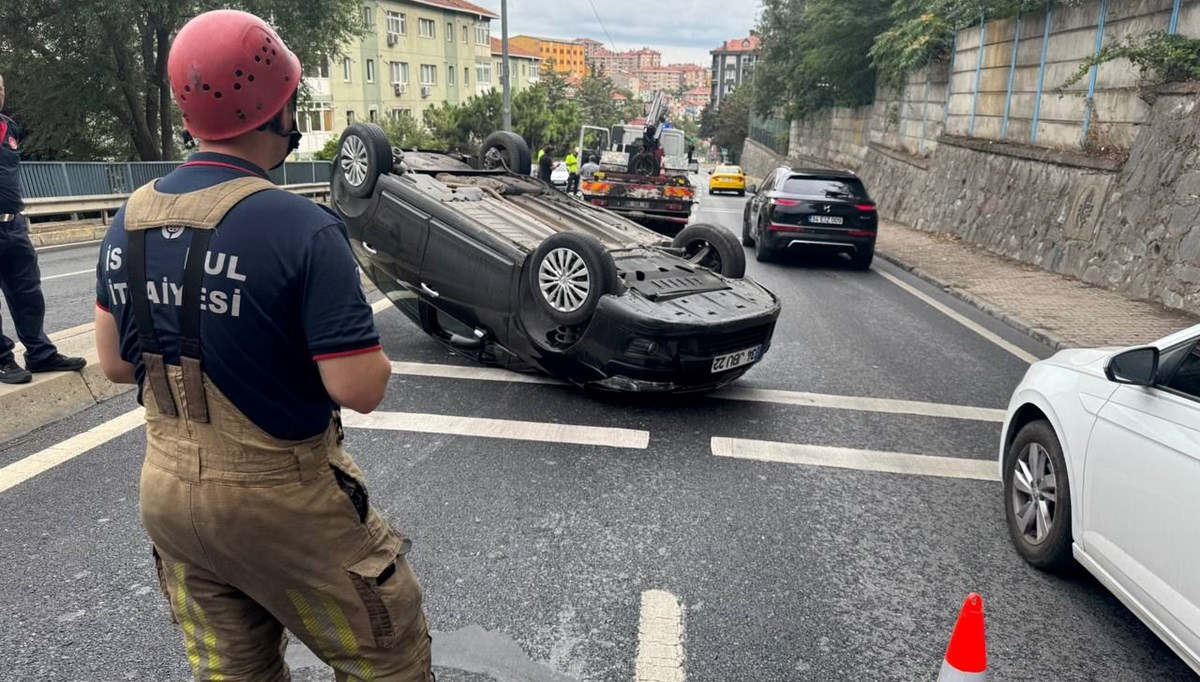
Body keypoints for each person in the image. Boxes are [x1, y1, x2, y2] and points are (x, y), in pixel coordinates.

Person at [92, 11, 432, 681]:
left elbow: (114, 363)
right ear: (278, 108)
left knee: (233, 670)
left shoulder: (129, 218)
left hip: (168, 497)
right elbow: (358, 388)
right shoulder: (302, 227)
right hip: (283, 505)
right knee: (386, 656)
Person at [0, 73, 87, 384]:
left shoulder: (9, 127)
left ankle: (40, 353)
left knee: (28, 292)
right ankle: (2, 359)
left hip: (13, 224)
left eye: (0, 88)